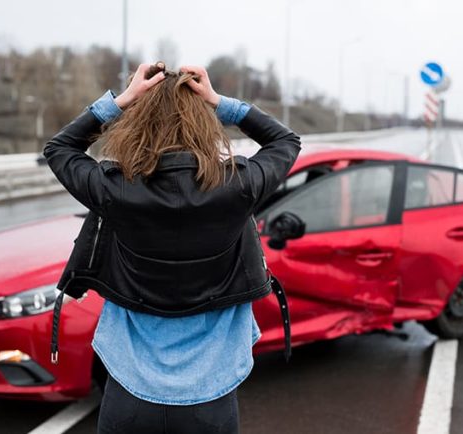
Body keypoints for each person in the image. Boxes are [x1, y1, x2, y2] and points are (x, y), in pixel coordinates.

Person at [42, 62, 301, 433]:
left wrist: (123, 99)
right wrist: (218, 101)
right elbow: (286, 141)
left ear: (138, 123)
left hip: (129, 396)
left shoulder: (115, 189)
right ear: (204, 125)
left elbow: (60, 147)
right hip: (211, 399)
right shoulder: (237, 187)